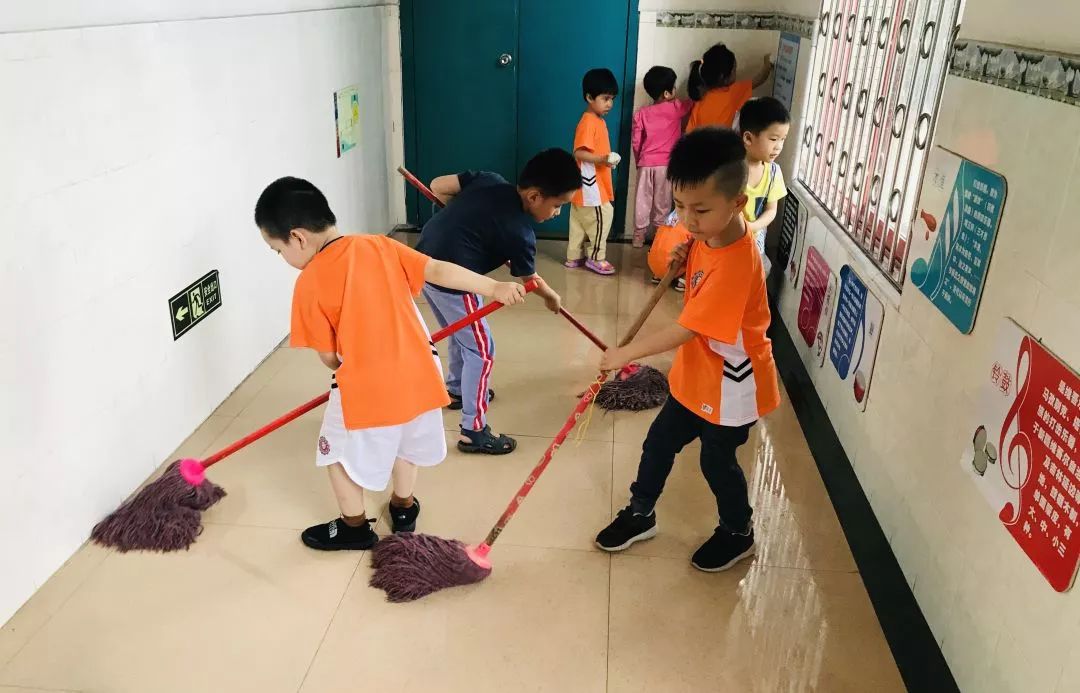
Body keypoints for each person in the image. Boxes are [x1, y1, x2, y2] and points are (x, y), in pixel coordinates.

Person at [254, 177, 527, 551]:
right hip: (421, 375)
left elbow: (330, 357)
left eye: (276, 249)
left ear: (298, 237)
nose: (282, 258)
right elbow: (437, 270)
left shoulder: (309, 283)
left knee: (335, 453)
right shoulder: (378, 245)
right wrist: (492, 287)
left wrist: (343, 365)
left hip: (368, 386)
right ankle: (403, 507)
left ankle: (354, 527)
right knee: (406, 444)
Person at [593, 128, 781, 572]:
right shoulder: (706, 235)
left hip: (734, 383)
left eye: (700, 209)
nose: (688, 219)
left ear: (738, 203)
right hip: (698, 372)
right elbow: (695, 276)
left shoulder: (739, 261)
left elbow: (686, 330)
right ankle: (641, 513)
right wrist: (685, 251)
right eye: (680, 206)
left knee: (717, 461)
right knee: (659, 442)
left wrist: (626, 354)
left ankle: (738, 531)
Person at [417, 148, 578, 455]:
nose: (557, 213)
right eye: (558, 206)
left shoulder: (489, 180)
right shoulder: (519, 231)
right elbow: (530, 281)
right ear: (533, 196)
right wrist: (552, 297)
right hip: (453, 281)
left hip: (426, 265)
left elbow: (437, 185)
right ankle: (473, 430)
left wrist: (461, 217)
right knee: (482, 350)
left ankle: (455, 391)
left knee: (464, 334)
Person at [631, 65, 694, 248]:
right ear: (667, 93)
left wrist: (639, 161)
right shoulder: (676, 107)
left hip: (645, 164)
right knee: (663, 202)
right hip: (665, 165)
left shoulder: (641, 114)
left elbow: (636, 143)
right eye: (674, 87)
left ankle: (638, 236)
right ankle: (659, 235)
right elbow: (693, 102)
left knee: (642, 200)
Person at [566, 68, 621, 275]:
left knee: (579, 221)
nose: (610, 104)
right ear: (589, 97)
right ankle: (597, 257)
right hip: (592, 187)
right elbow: (579, 152)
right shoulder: (590, 122)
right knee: (604, 216)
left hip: (584, 186)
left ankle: (574, 255)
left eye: (612, 99)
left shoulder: (594, 120)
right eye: (605, 98)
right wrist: (602, 159)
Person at [738, 97, 790, 270]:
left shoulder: (774, 173)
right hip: (726, 235)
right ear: (748, 138)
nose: (779, 147)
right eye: (774, 139)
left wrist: (752, 227)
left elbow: (771, 210)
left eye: (783, 139)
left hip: (754, 236)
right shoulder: (729, 169)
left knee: (760, 269)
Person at [686, 44, 774, 131]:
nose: (735, 72)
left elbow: (689, 134)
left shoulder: (700, 97)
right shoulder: (734, 91)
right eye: (734, 70)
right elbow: (760, 78)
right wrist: (767, 61)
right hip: (726, 144)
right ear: (723, 77)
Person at [647, 210, 690, 291]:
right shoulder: (694, 222)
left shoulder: (671, 217)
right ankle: (684, 279)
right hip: (673, 267)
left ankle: (658, 274)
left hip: (653, 265)